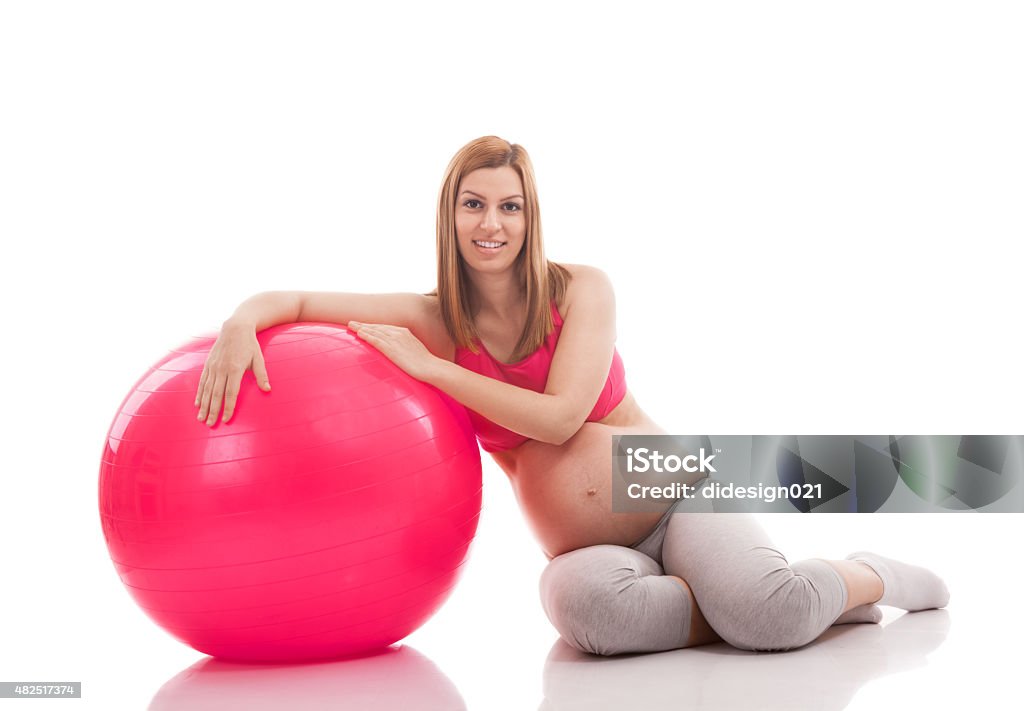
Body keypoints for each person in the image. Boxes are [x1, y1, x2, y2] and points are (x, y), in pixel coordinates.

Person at [193, 136, 950, 656]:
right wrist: (239, 321)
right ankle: (733, 598)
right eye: (474, 204)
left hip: (674, 490)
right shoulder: (435, 317)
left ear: (531, 216)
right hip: (583, 546)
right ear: (449, 215)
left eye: (510, 206)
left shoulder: (582, 288)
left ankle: (862, 574)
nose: (492, 223)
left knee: (771, 618)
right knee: (586, 617)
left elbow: (560, 417)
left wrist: (436, 372)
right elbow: (292, 298)